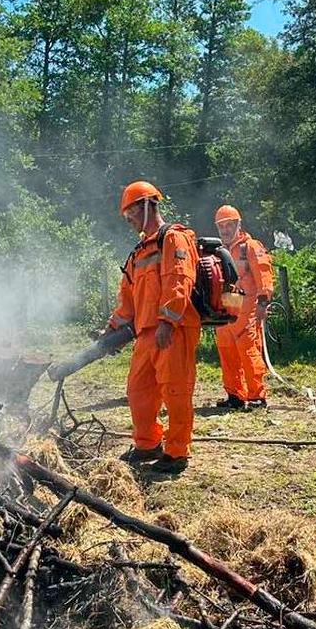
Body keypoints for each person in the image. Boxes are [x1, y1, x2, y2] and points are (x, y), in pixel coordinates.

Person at [106, 181, 201, 475]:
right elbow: (128, 299)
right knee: (138, 391)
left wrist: (168, 321)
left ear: (148, 205)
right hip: (147, 335)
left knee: (175, 391)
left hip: (172, 331)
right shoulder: (138, 251)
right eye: (126, 215)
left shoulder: (172, 239)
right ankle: (147, 444)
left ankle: (176, 452)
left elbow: (179, 281)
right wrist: (112, 330)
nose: (129, 219)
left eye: (131, 212)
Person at [212, 205, 275, 410]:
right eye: (222, 226)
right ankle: (235, 396)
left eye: (229, 225)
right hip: (228, 304)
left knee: (248, 350)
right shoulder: (220, 250)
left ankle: (257, 396)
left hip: (248, 304)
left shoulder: (250, 247)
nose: (226, 229)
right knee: (226, 348)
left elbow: (263, 275)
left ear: (238, 224)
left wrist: (263, 304)